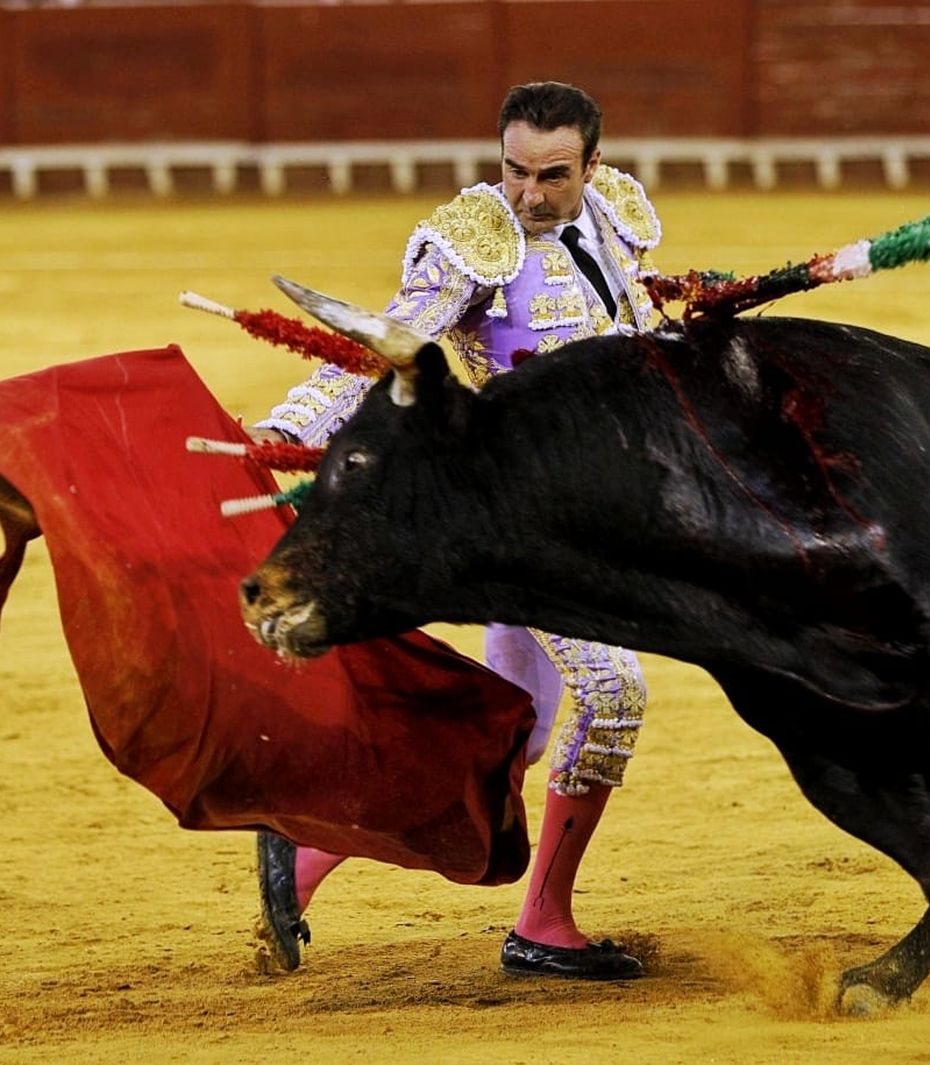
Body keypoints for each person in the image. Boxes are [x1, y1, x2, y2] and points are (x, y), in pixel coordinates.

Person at [248, 81, 664, 981]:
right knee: (613, 693)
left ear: (593, 166)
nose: (529, 194)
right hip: (518, 522)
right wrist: (286, 433)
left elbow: (638, 321)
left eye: (553, 175)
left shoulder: (618, 217)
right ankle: (544, 923)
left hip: (600, 516)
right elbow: (385, 344)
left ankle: (305, 855)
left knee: (511, 734)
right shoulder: (475, 241)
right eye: (515, 170)